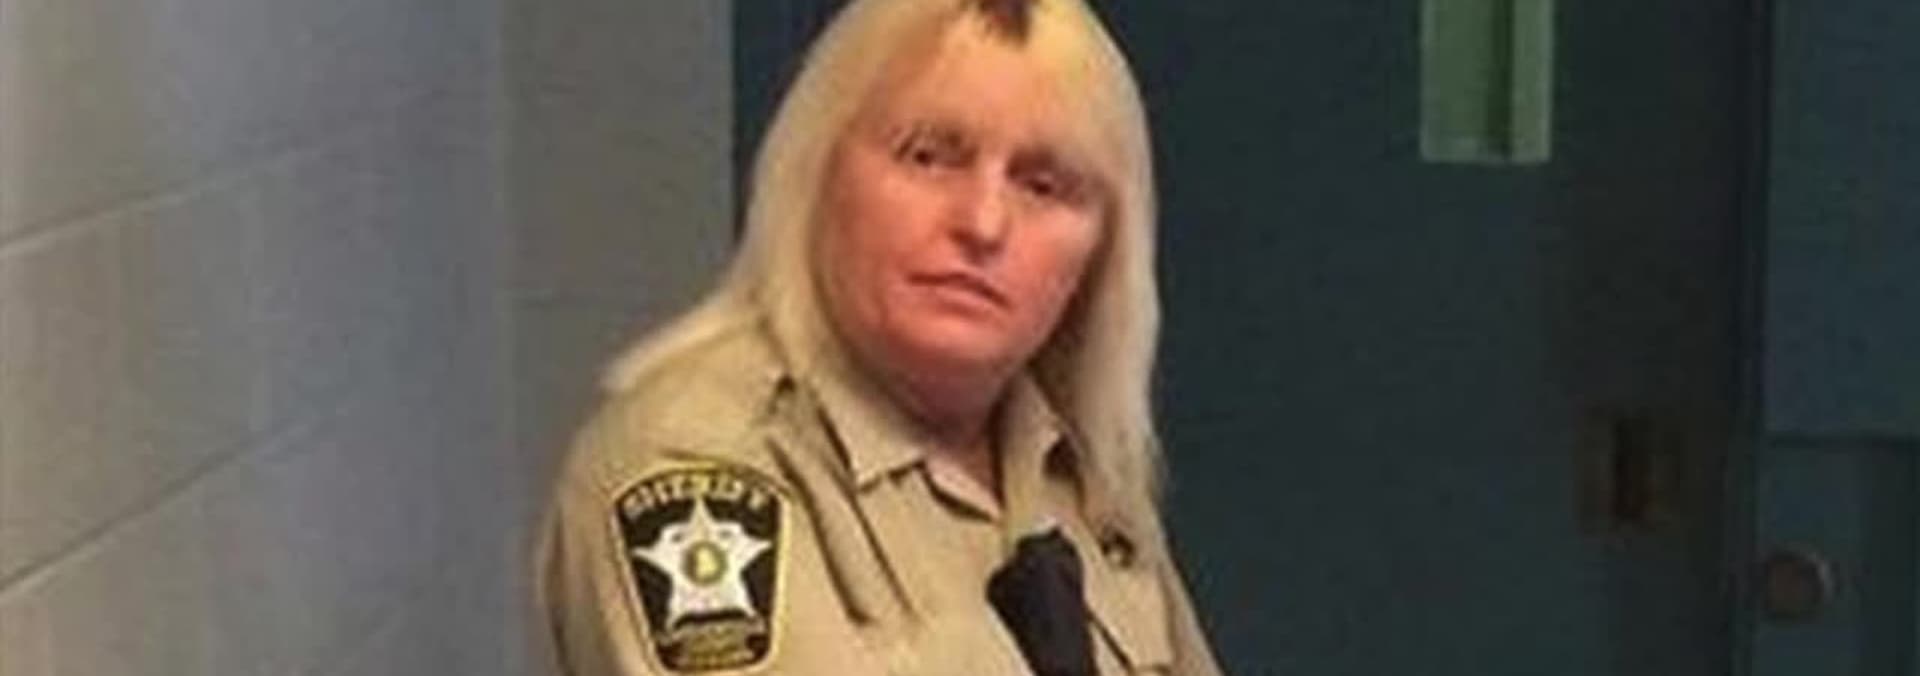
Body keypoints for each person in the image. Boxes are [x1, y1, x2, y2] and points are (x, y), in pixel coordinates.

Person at [537, 0, 1221, 673]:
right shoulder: (697, 467)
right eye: (928, 157)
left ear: (1100, 253)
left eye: (1042, 186)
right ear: (820, 173)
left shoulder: (1080, 491)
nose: (984, 223)